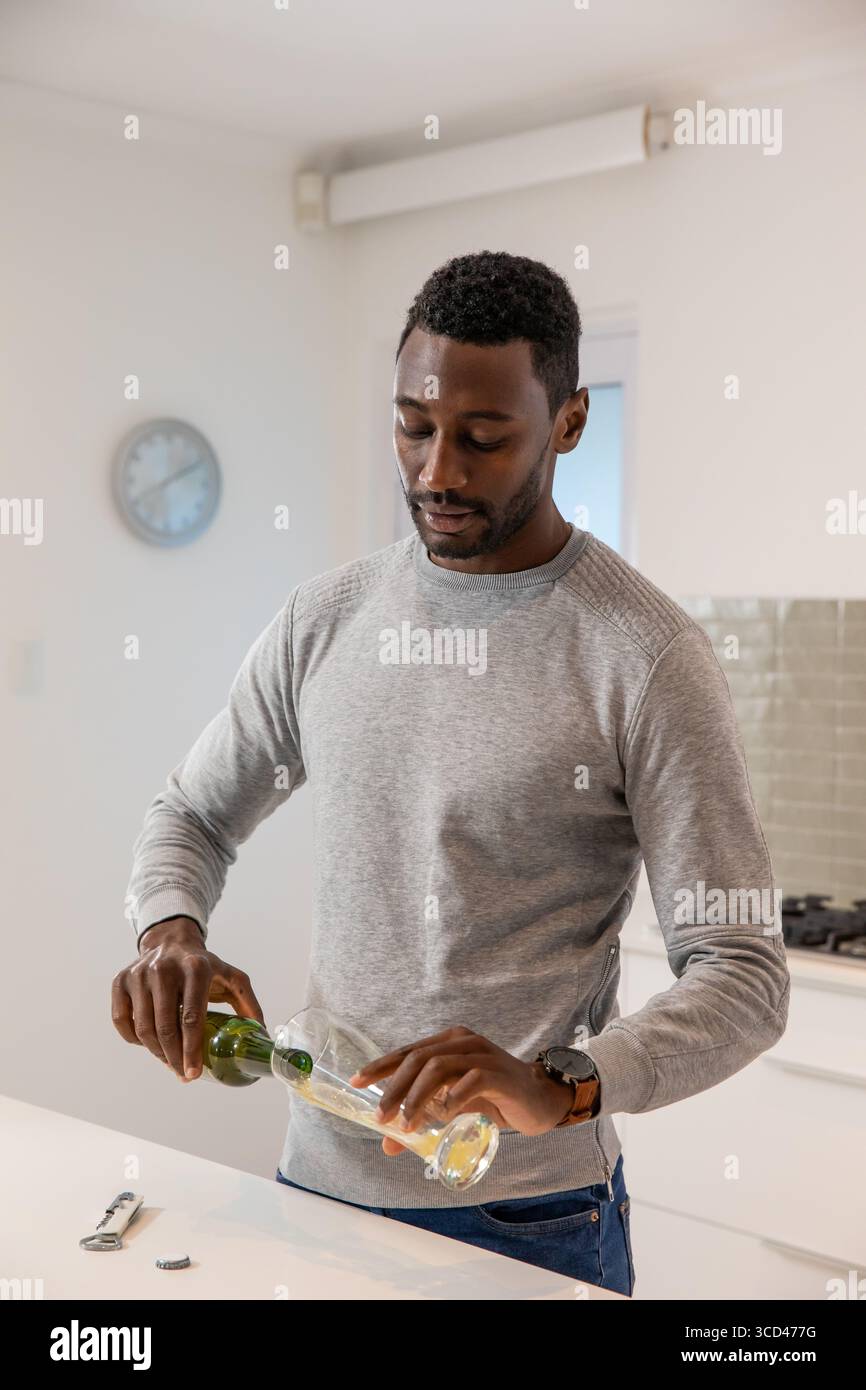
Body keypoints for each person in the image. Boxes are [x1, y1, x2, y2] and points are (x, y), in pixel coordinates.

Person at [113, 250, 790, 1298]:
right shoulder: (323, 621)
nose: (436, 472)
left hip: (527, 1220)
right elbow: (192, 812)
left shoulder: (645, 656)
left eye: (482, 438)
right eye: (413, 428)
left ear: (566, 423)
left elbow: (741, 973)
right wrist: (169, 925)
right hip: (312, 1192)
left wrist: (562, 1085)